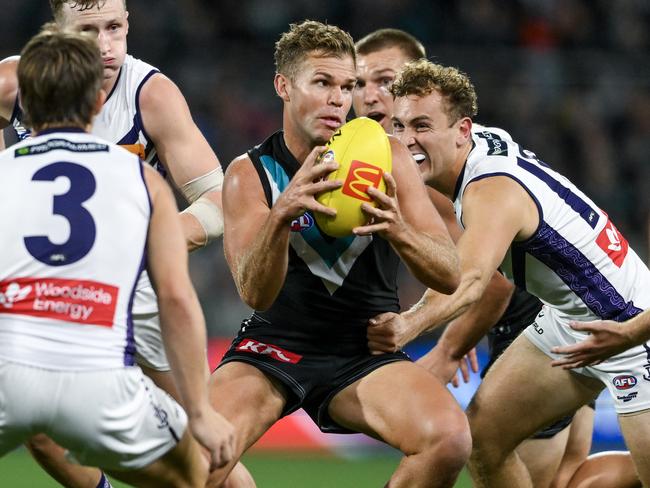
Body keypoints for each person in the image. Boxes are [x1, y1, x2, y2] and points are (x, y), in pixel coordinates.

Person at [353, 29, 640, 488]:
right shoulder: (470, 148)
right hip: (566, 317)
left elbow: (470, 279)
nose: (406, 139)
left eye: (421, 126)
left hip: (627, 324)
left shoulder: (489, 189)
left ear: (461, 129)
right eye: (401, 126)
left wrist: (413, 327)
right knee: (483, 442)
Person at [206, 20, 471, 488]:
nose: (338, 100)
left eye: (347, 86)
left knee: (449, 439)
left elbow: (449, 271)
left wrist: (399, 230)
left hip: (362, 351)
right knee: (197, 461)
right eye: (323, 83)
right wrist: (281, 214)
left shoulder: (386, 154)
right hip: (275, 347)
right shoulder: (249, 174)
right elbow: (255, 293)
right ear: (284, 86)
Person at [0, 2, 254, 487]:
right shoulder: (15, 83)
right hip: (51, 295)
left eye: (115, 28)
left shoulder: (151, 94)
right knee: (50, 433)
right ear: (58, 33)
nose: (104, 45)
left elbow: (220, 201)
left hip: (134, 292)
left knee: (212, 463)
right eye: (88, 31)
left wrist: (141, 242)